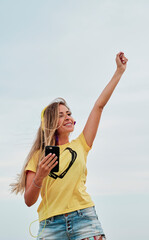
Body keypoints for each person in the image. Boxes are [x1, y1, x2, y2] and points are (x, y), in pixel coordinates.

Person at [10, 52, 128, 240]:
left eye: (69, 113)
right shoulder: (38, 156)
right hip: (50, 225)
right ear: (50, 122)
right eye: (61, 115)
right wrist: (40, 176)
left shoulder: (81, 144)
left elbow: (99, 106)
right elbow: (29, 201)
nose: (68, 117)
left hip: (84, 219)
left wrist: (119, 72)